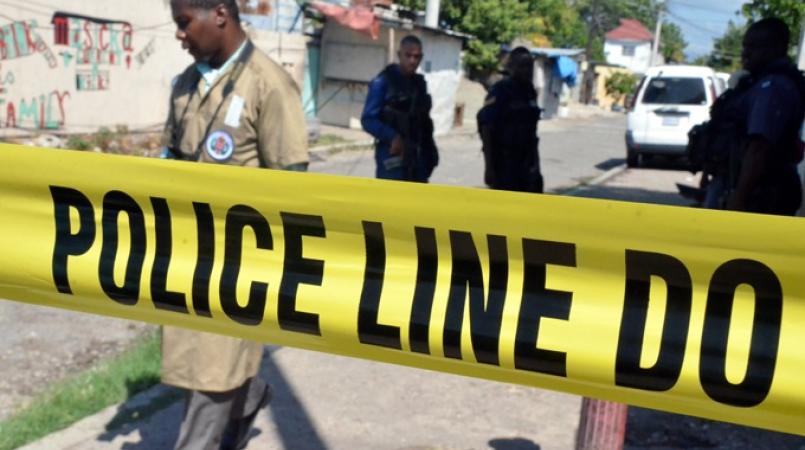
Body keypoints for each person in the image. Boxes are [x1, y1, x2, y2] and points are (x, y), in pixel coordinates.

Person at [162, 1, 308, 449]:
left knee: (211, 372)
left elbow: (291, 184)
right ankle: (248, 396)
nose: (179, 35)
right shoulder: (185, 85)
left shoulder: (269, 84)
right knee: (194, 362)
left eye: (185, 23)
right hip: (187, 254)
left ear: (220, 14)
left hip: (236, 265)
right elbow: (170, 157)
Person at [712, 18, 805, 215]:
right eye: (745, 46)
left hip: (762, 197)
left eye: (753, 47)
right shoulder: (758, 83)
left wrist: (738, 199)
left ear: (775, 48)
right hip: (751, 190)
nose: (745, 53)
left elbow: (758, 148)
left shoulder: (773, 88)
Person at [361, 35, 439, 182]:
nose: (412, 61)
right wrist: (392, 137)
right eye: (408, 55)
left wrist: (430, 151)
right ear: (399, 55)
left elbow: (424, 120)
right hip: (392, 154)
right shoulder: (383, 82)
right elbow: (368, 119)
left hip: (417, 155)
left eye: (416, 57)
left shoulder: (419, 84)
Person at [477, 47, 543, 193]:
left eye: (529, 66)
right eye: (522, 66)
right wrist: (489, 167)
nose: (526, 70)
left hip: (528, 164)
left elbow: (532, 134)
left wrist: (536, 168)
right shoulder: (501, 91)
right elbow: (486, 127)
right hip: (505, 165)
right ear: (512, 67)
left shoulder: (529, 91)